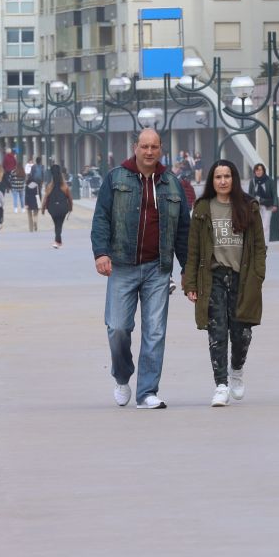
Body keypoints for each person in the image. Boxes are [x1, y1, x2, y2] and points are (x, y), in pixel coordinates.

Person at [91, 129, 192, 409]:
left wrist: (187, 270)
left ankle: (147, 391)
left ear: (161, 149)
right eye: (144, 146)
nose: (149, 151)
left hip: (157, 268)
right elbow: (101, 218)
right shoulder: (116, 178)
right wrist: (101, 253)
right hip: (122, 266)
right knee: (118, 327)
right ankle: (122, 375)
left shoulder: (173, 184)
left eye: (154, 147)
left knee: (155, 331)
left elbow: (184, 230)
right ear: (135, 147)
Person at [182, 160, 267, 407]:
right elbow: (194, 249)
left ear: (234, 179)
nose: (222, 181)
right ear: (212, 180)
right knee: (216, 332)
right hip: (213, 278)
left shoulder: (248, 206)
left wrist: (258, 275)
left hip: (243, 278)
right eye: (218, 177)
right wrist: (191, 283)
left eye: (227, 176)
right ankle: (221, 385)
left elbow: (259, 246)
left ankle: (236, 370)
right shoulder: (202, 208)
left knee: (242, 333)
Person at [43, 165, 72, 248]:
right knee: (59, 224)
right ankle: (58, 241)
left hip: (52, 208)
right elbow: (69, 198)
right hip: (63, 208)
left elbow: (45, 198)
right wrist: (70, 208)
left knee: (57, 224)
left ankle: (57, 241)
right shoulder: (64, 186)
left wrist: (43, 208)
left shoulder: (50, 186)